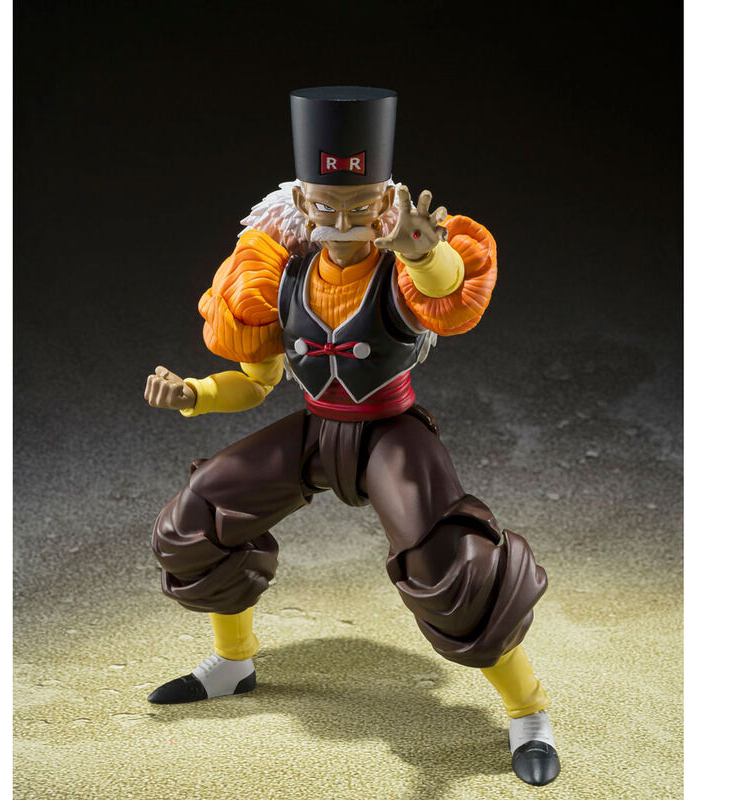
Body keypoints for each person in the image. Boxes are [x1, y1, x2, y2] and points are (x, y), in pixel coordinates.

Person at [143, 86, 560, 786]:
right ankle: (233, 665)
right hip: (315, 430)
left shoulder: (403, 270)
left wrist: (423, 252)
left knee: (450, 564)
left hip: (390, 433)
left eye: (362, 208)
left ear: (387, 202)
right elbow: (255, 381)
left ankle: (530, 712)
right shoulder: (280, 277)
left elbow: (448, 290)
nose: (344, 223)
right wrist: (194, 394)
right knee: (202, 511)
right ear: (301, 203)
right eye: (328, 208)